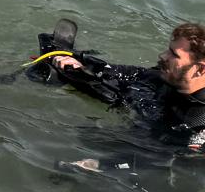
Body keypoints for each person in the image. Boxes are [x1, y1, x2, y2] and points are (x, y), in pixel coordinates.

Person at [53, 22, 205, 158]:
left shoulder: (199, 122)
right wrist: (85, 65)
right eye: (168, 50)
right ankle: (74, 70)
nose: (163, 55)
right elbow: (136, 74)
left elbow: (166, 158)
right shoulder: (171, 78)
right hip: (149, 108)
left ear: (199, 69)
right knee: (117, 85)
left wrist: (100, 166)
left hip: (152, 147)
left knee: (88, 136)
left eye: (173, 55)